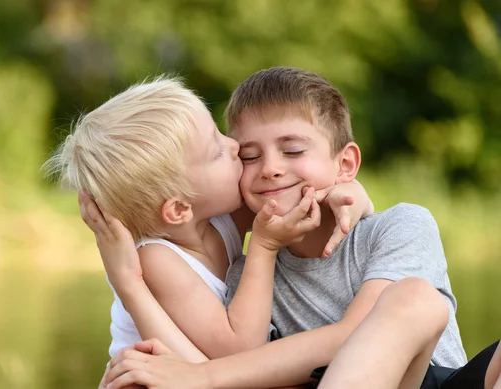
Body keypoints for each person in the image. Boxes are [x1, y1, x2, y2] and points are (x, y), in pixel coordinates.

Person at [92, 67, 501, 389]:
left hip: (436, 379)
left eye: (292, 150)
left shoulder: (402, 225)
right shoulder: (247, 277)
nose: (270, 168)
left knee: (417, 298)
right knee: (416, 298)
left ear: (344, 164)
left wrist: (352, 192)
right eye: (248, 156)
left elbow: (356, 334)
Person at [45, 76, 372, 365]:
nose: (234, 146)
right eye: (216, 151)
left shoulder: (214, 219)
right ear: (178, 209)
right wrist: (263, 246)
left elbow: (295, 194)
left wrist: (352, 192)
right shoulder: (157, 259)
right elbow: (240, 349)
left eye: (221, 134)